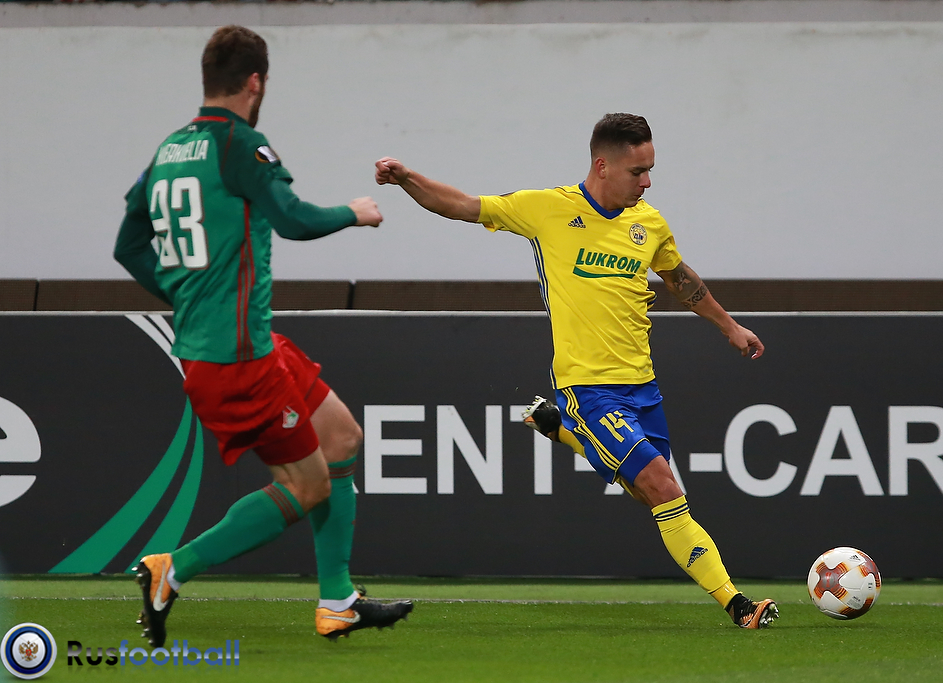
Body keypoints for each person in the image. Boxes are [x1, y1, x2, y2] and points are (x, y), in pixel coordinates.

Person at [375, 113, 778, 629]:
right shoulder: (547, 209)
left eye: (650, 170)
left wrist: (729, 327)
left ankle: (561, 430)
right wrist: (407, 178)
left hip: (643, 386)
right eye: (638, 172)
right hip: (589, 387)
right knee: (664, 488)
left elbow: (679, 278)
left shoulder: (648, 223)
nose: (647, 182)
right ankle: (738, 604)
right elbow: (462, 205)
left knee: (645, 491)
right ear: (602, 166)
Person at [114, 25, 412, 646]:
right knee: (308, 485)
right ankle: (172, 568)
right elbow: (293, 219)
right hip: (237, 359)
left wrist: (186, 296)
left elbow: (129, 245)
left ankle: (338, 602)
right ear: (256, 82)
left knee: (342, 437)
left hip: (246, 342)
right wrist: (354, 213)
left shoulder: (170, 150)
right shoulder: (239, 143)